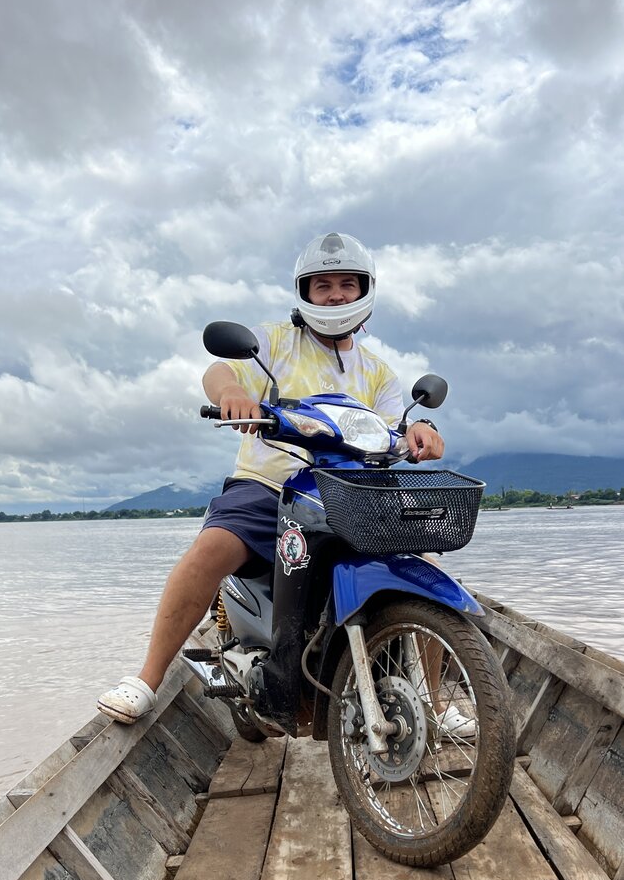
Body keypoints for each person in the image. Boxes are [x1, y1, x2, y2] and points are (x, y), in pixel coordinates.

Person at [98, 232, 471, 737]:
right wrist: (232, 392)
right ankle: (147, 678)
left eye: (346, 284)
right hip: (269, 484)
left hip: (349, 493)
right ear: (306, 293)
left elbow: (396, 428)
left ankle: (430, 699)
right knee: (211, 550)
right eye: (323, 286)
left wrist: (422, 433)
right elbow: (220, 371)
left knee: (422, 562)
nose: (335, 295)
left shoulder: (377, 371)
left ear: (364, 292)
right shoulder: (273, 344)